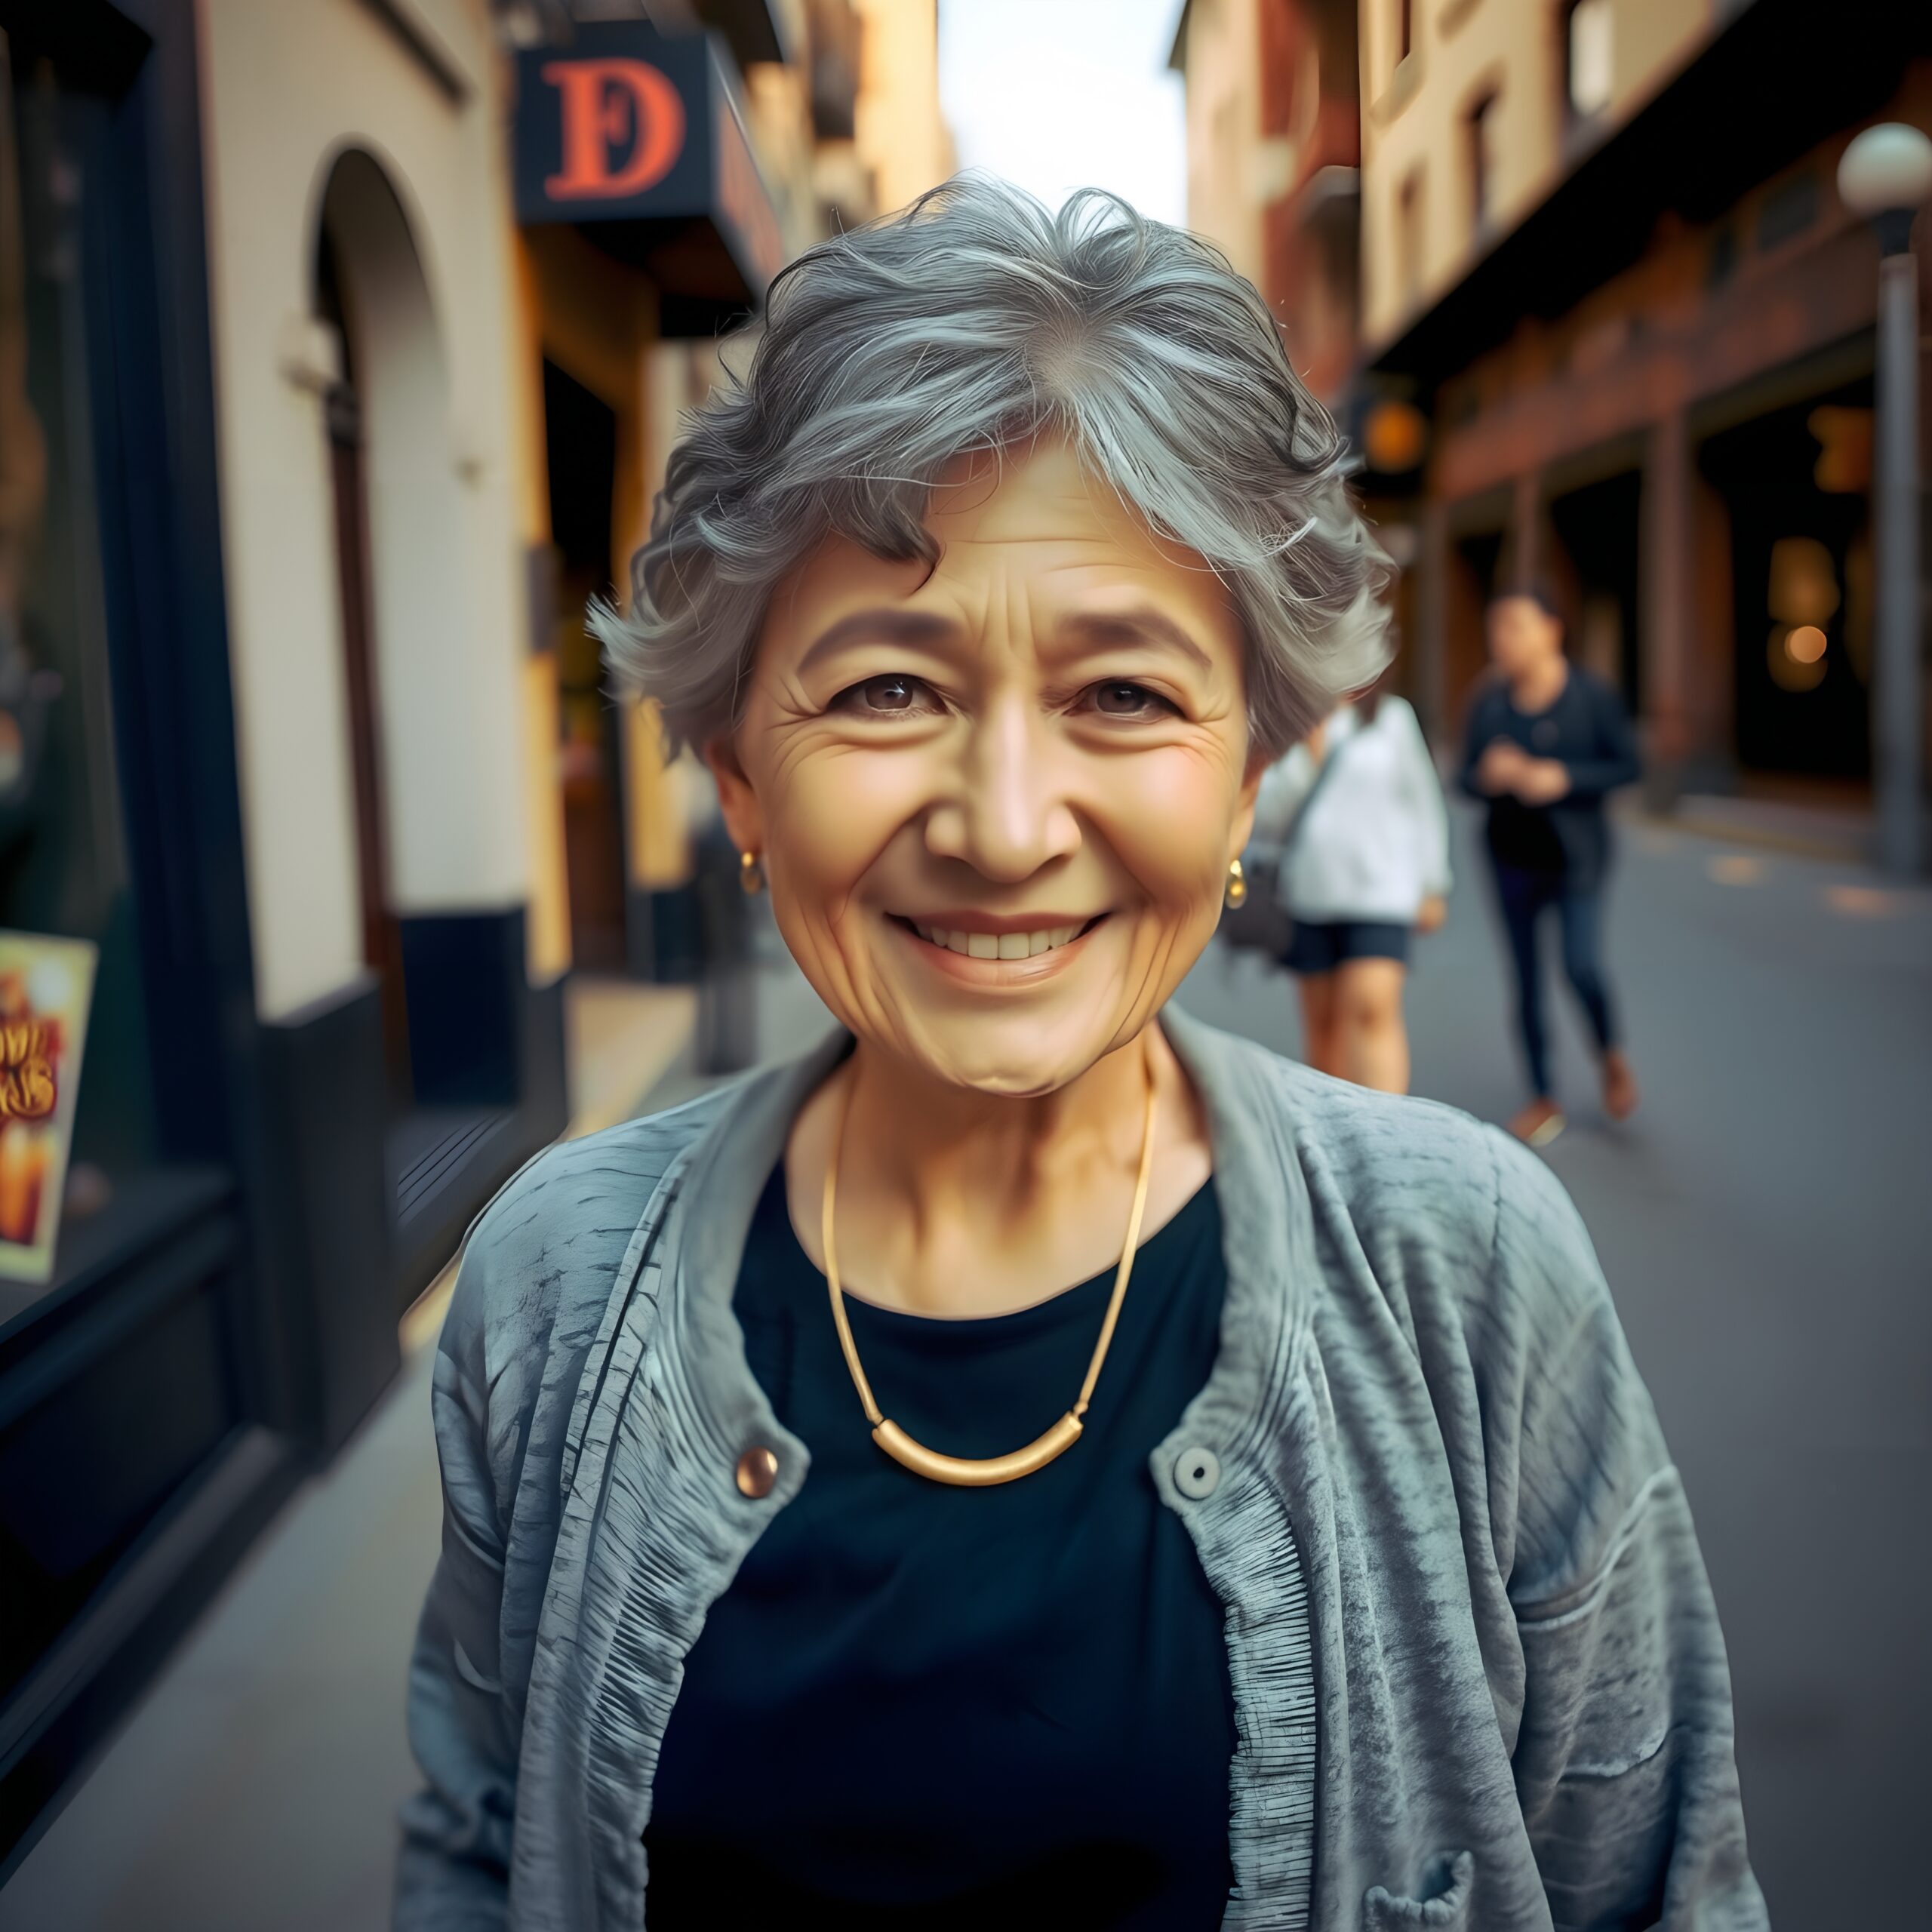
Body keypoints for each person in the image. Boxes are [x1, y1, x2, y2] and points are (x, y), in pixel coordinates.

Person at [395, 180, 1762, 1930]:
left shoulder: (1468, 1270)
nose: (1003, 823)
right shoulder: (547, 1283)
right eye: (887, 688)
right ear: (737, 772)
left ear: (1246, 772)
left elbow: (1655, 1889)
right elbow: (474, 1838)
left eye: (1121, 693)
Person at [1460, 585, 1641, 1147]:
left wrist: (1562, 778)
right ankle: (1543, 1095)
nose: (1502, 640)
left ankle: (1609, 1053)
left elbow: (1628, 766)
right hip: (1510, 859)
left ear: (1551, 631)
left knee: (1580, 964)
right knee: (1526, 980)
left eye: (1515, 626)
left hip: (1577, 860)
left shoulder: (1591, 696)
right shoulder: (1489, 702)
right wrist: (1487, 776)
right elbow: (1463, 777)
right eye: (1496, 628)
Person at [1253, 677, 1449, 1094]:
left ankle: (1389, 1132)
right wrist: (1308, 757)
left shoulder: (1392, 718)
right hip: (1310, 892)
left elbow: (1423, 801)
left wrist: (1434, 881)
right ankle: (1338, 1131)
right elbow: (1265, 817)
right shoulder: (1291, 720)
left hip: (1381, 893)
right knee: (1324, 1025)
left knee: (1372, 1008)